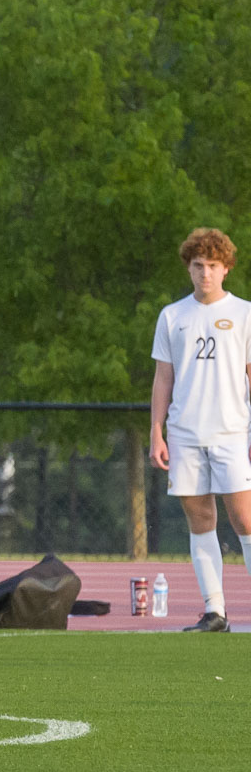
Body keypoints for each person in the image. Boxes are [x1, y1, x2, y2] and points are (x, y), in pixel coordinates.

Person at [150, 227, 251, 633]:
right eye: (198, 266)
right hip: (185, 434)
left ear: (225, 269)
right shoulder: (172, 315)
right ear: (188, 268)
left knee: (245, 520)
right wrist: (156, 432)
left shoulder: (244, 313)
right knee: (200, 519)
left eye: (212, 266)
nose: (204, 273)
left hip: (231, 432)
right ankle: (215, 612)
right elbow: (162, 378)